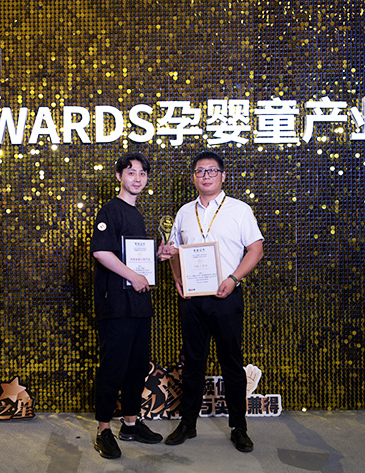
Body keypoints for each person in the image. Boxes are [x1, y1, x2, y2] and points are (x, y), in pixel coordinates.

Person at [157, 150, 264, 453]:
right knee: (192, 363)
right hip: (192, 300)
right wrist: (177, 278)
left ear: (223, 176)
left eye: (212, 170)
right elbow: (173, 251)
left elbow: (256, 249)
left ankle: (239, 428)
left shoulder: (239, 210)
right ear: (193, 178)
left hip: (225, 296)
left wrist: (234, 279)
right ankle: (188, 424)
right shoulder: (183, 212)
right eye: (200, 171)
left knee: (231, 363)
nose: (206, 176)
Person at [90, 152, 163, 459]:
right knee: (113, 367)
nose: (137, 178)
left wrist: (158, 256)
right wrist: (133, 275)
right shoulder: (110, 210)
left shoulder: (137, 213)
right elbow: (101, 252)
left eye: (142, 173)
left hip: (139, 304)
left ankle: (130, 423)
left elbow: (133, 257)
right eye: (131, 172)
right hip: (116, 305)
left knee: (137, 366)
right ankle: (103, 429)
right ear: (119, 176)